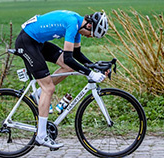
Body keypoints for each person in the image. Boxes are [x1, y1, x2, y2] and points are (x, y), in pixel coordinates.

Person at [15, 10, 109, 149]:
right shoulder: (72, 23)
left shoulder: (77, 25)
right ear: (89, 26)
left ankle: (39, 94)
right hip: (27, 42)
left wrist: (95, 66)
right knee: (49, 88)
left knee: (68, 67)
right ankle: (41, 136)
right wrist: (90, 74)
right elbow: (68, 58)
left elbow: (76, 54)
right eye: (91, 35)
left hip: (37, 42)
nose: (89, 37)